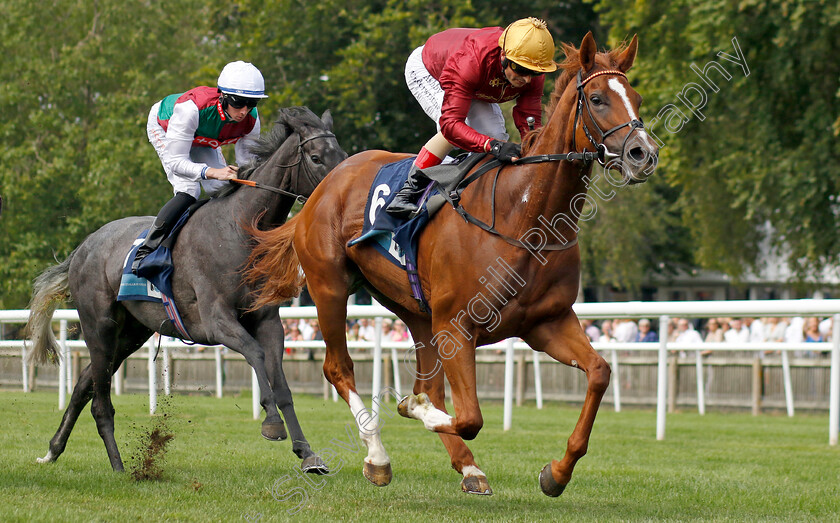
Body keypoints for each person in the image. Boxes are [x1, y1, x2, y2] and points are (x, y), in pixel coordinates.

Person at [386, 17, 557, 217]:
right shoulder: (472, 60)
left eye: (534, 73)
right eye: (521, 70)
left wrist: (534, 153)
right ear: (503, 55)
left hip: (475, 84)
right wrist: (493, 145)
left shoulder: (531, 65)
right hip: (430, 70)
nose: (527, 79)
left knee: (495, 135)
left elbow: (529, 121)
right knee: (458, 131)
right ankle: (408, 192)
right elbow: (451, 125)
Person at [132, 61, 267, 273]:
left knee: (220, 190)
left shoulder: (251, 119)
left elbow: (248, 165)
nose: (244, 111)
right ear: (223, 96)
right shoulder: (190, 111)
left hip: (202, 138)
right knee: (190, 190)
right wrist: (213, 171)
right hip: (166, 127)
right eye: (239, 103)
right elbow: (177, 163)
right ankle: (147, 252)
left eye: (252, 103)